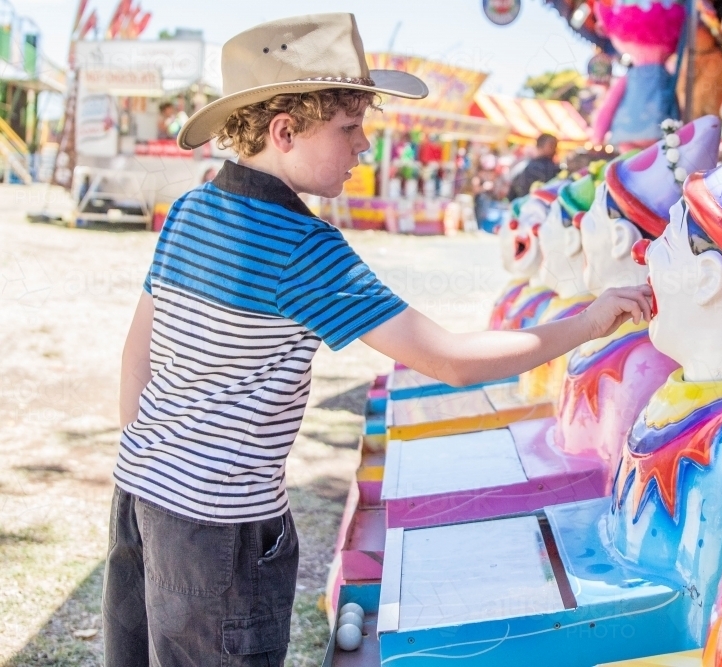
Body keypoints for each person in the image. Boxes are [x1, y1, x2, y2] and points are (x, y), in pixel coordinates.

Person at [105, 14, 652, 667]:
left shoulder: (193, 208)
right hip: (221, 533)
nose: (364, 145)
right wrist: (588, 323)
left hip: (140, 497)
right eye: (348, 128)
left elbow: (137, 351)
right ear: (285, 131)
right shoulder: (302, 246)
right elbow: (449, 359)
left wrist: (158, 460)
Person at [509, 133, 560, 199]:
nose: (555, 149)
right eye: (552, 145)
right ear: (540, 145)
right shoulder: (544, 167)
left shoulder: (524, 164)